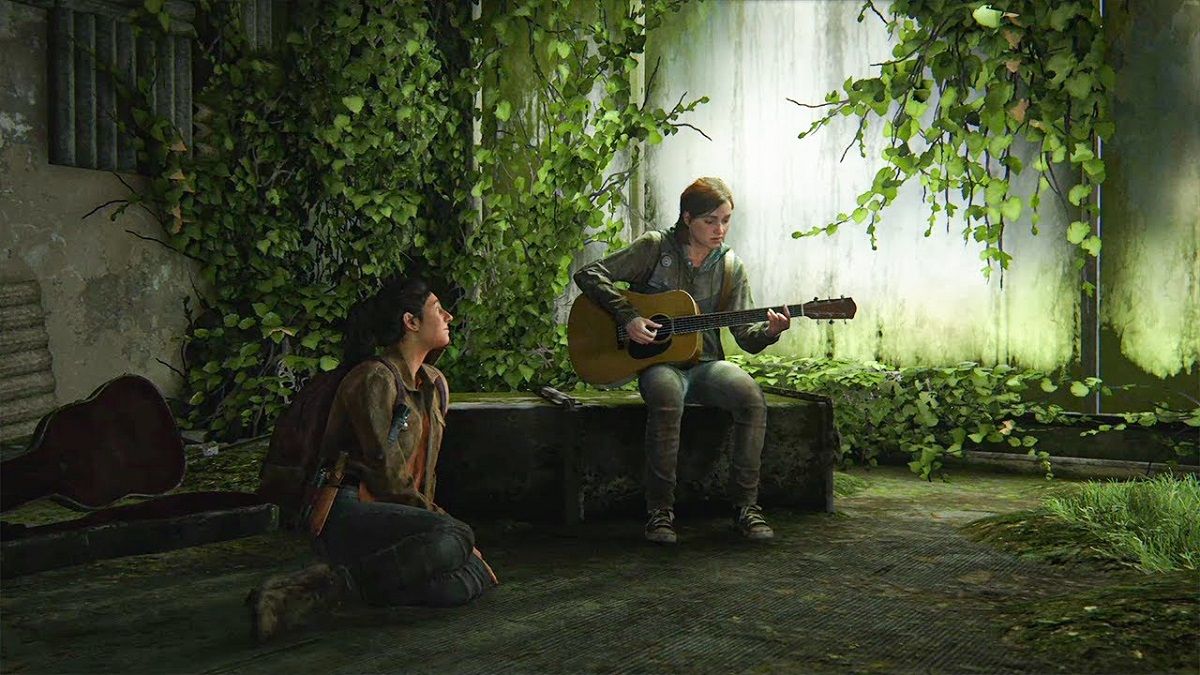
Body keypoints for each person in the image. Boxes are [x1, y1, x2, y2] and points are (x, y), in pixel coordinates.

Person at [248, 275, 496, 641]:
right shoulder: (373, 378)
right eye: (437, 309)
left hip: (395, 514)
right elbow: (387, 475)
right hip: (347, 511)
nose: (449, 317)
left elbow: (422, 477)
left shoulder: (433, 384)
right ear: (410, 322)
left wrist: (436, 527)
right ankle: (315, 592)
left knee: (459, 584)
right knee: (455, 537)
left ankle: (355, 584)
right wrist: (442, 524)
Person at [573, 177, 791, 544]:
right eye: (710, 221)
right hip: (660, 364)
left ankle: (746, 507)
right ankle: (660, 512)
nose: (719, 229)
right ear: (687, 218)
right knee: (666, 395)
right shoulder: (655, 248)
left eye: (726, 220)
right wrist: (628, 316)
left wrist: (771, 332)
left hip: (706, 364)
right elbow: (589, 273)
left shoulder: (731, 267)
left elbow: (745, 339)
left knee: (751, 397)